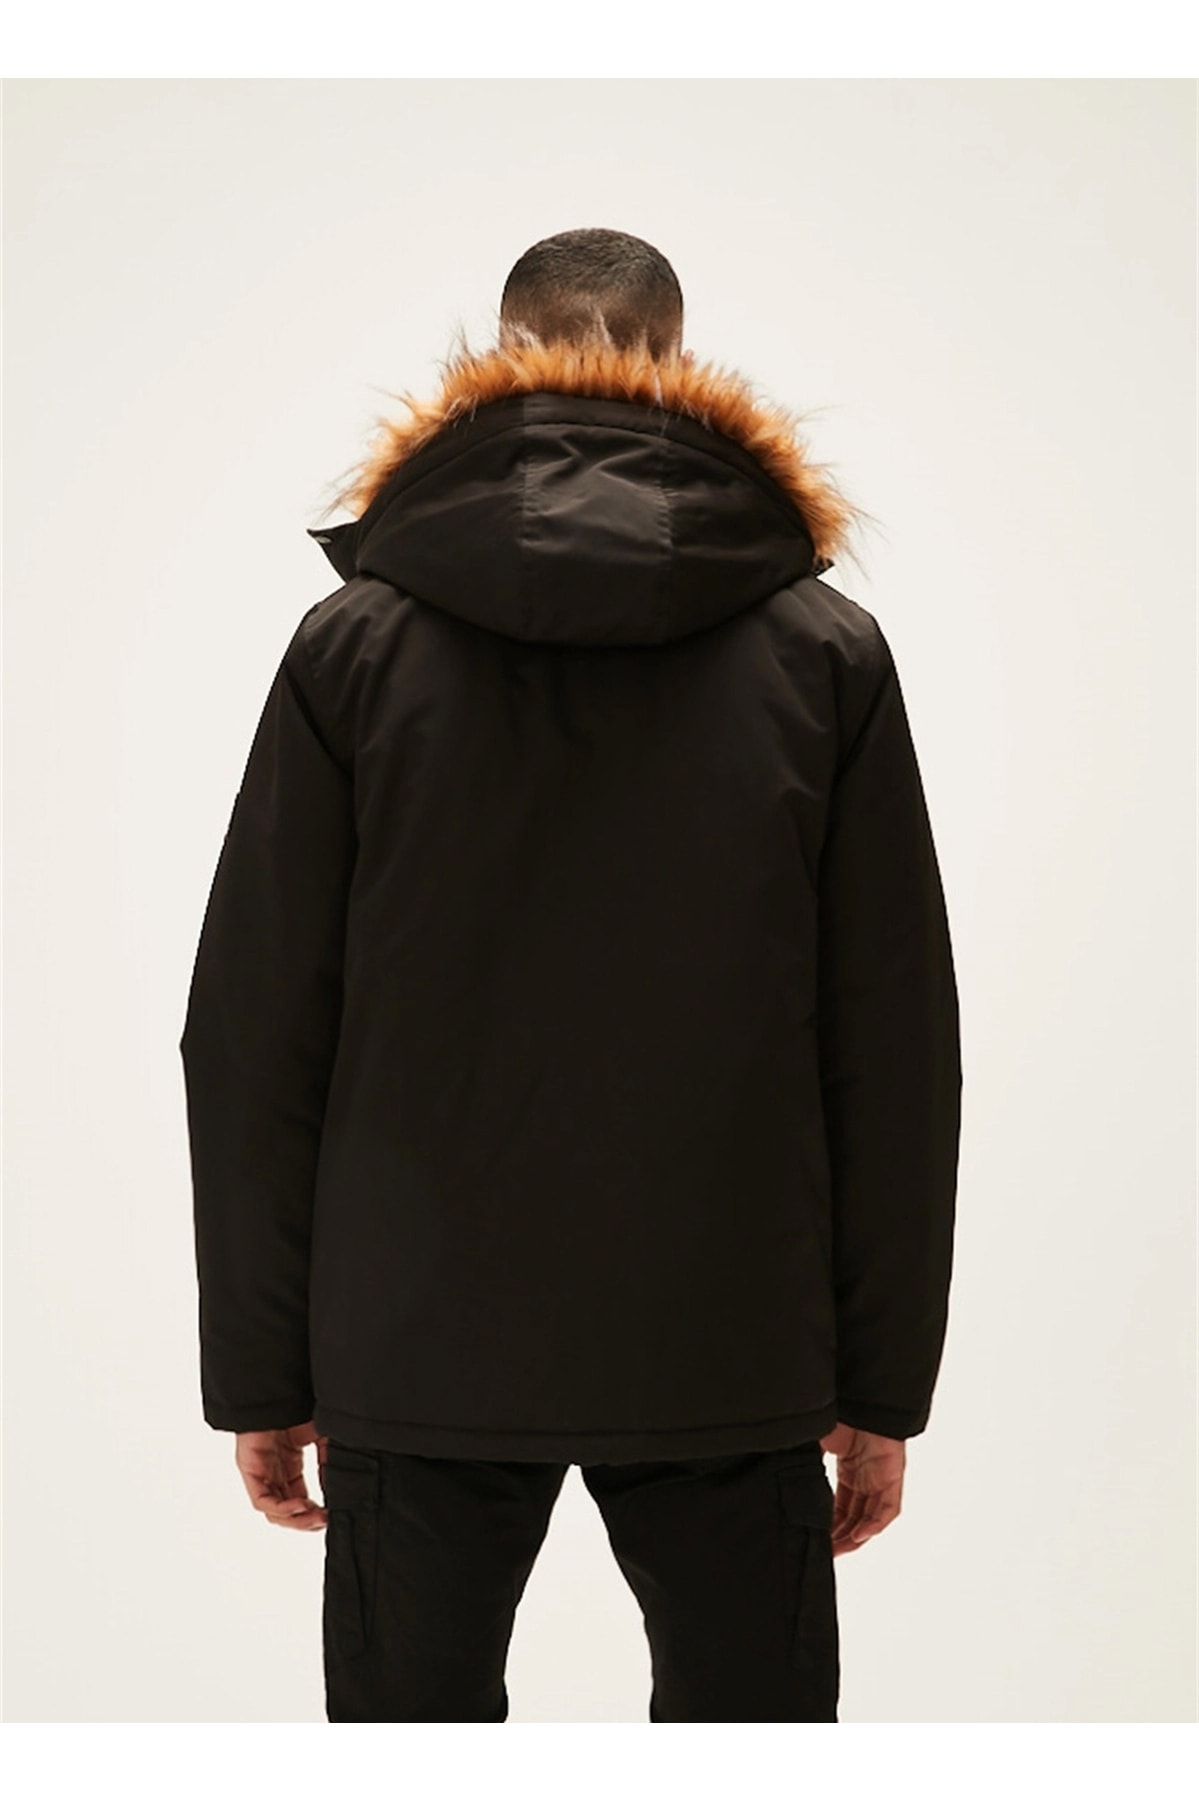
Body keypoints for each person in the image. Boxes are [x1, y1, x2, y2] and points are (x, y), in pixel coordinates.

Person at [178, 226, 963, 1724]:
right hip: (733, 1333)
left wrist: (261, 1372)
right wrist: (882, 1385)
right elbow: (896, 1050)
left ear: (498, 360)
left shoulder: (352, 651)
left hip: (413, 1335)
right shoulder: (826, 654)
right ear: (679, 365)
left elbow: (255, 1034)